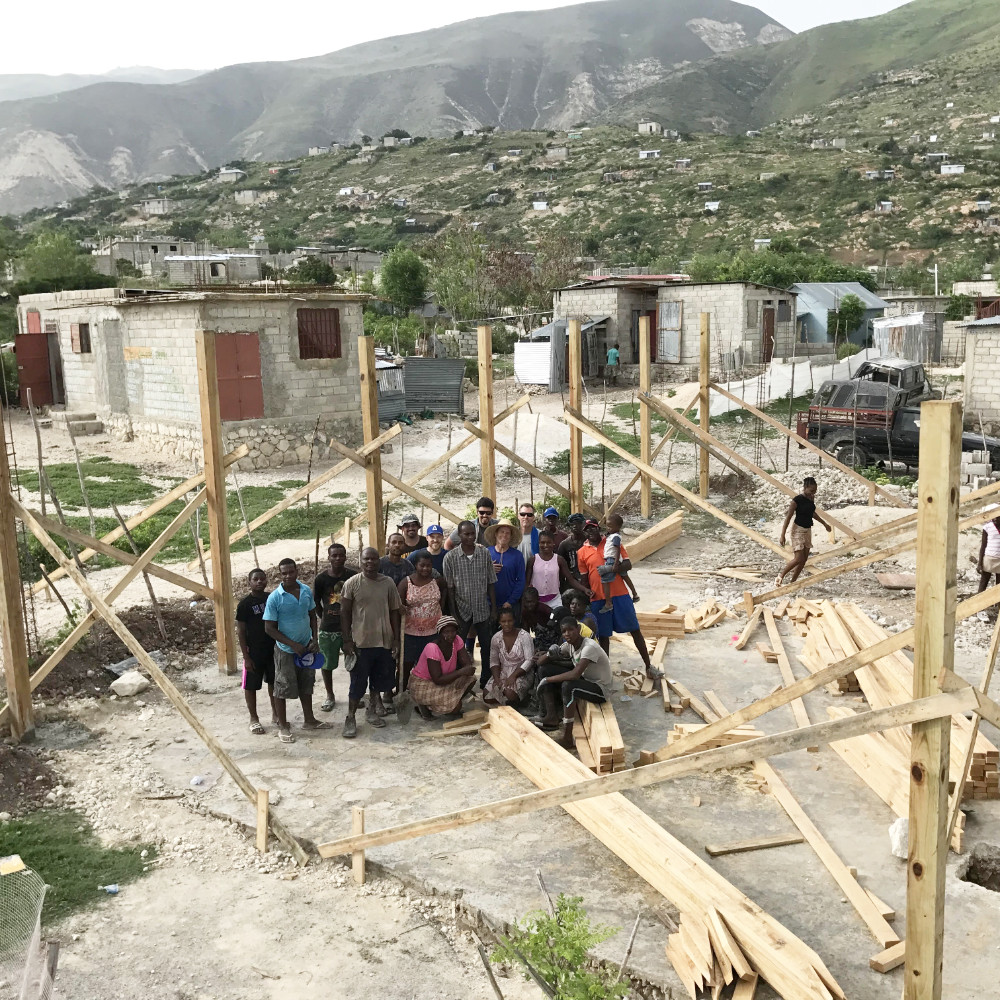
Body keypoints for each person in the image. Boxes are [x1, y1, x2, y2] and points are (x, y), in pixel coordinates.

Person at [577, 520, 657, 678]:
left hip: (620, 594)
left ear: (598, 528)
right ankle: (606, 673)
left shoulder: (612, 541)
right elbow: (584, 578)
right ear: (584, 533)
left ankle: (649, 666)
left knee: (635, 629)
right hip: (598, 598)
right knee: (604, 637)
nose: (591, 531)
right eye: (587, 529)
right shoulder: (581, 552)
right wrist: (586, 595)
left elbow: (628, 564)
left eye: (593, 528)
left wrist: (612, 569)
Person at [340, 547, 403, 739]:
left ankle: (372, 710)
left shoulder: (388, 583)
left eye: (374, 559)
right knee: (357, 683)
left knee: (378, 680)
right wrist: (347, 640)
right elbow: (344, 613)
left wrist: (396, 639)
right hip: (361, 642)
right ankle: (350, 717)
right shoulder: (352, 584)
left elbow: (394, 611)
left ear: (379, 561)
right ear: (361, 561)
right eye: (366, 559)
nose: (370, 563)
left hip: (383, 641)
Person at [263, 558, 328, 743]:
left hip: (306, 648)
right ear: (280, 574)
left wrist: (314, 639)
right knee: (282, 687)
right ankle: (283, 726)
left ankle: (310, 720)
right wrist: (292, 645)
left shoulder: (306, 591)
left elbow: (312, 616)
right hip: (286, 651)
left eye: (291, 572)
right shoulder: (275, 597)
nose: (288, 576)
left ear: (296, 571)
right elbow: (269, 628)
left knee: (307, 684)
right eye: (284, 573)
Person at [534, 617, 613, 749]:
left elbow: (574, 674)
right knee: (545, 670)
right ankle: (551, 716)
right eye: (564, 631)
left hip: (600, 689)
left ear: (578, 629)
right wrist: (549, 653)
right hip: (586, 680)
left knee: (568, 686)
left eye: (571, 629)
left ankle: (567, 738)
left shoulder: (589, 647)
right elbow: (539, 663)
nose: (567, 634)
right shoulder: (569, 645)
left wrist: (547, 680)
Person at [442, 520, 497, 686]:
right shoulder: (450, 558)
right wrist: (455, 614)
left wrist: (493, 608)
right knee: (458, 648)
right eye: (466, 534)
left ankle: (486, 680)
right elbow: (450, 589)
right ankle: (461, 682)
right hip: (462, 610)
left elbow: (490, 582)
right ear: (459, 536)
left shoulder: (484, 554)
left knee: (487, 647)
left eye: (472, 533)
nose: (470, 537)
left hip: (482, 609)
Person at [312, 543, 360, 713]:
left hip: (352, 628)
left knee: (354, 662)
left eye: (341, 555)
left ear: (346, 556)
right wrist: (323, 616)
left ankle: (354, 694)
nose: (338, 558)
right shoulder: (321, 579)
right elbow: (315, 602)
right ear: (329, 557)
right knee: (327, 664)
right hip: (328, 628)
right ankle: (330, 695)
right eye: (334, 555)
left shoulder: (353, 576)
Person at [408, 616, 478, 719]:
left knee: (471, 679)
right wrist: (461, 673)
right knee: (456, 707)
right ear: (440, 633)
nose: (450, 635)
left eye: (453, 631)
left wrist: (463, 675)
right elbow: (437, 679)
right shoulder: (432, 648)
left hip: (444, 680)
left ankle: (437, 704)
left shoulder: (457, 640)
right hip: (422, 684)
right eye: (446, 632)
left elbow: (468, 666)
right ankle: (425, 705)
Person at [398, 550, 448, 691]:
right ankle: (401, 691)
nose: (425, 568)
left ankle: (426, 693)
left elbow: (446, 589)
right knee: (406, 664)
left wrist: (441, 607)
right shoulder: (406, 583)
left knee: (430, 665)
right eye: (422, 565)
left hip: (433, 632)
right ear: (416, 565)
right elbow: (398, 605)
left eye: (428, 565)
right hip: (410, 633)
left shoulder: (437, 582)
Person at [236, 568, 277, 735]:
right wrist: (246, 657)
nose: (259, 581)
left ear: (266, 581)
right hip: (254, 651)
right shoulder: (245, 604)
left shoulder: (271, 599)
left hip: (273, 649)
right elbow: (241, 631)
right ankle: (254, 718)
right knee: (251, 685)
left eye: (262, 579)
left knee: (274, 683)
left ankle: (276, 714)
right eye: (255, 579)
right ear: (249, 582)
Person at [775, 477, 832, 587]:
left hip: (807, 530)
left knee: (804, 560)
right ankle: (780, 576)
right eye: (811, 490)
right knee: (798, 558)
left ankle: (793, 582)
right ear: (805, 488)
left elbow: (812, 513)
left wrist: (824, 524)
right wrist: (782, 535)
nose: (813, 493)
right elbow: (788, 518)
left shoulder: (811, 498)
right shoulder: (796, 501)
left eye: (815, 491)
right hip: (798, 530)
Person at [526, 529, 590, 610]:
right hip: (536, 601)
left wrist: (584, 589)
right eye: (542, 542)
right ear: (538, 543)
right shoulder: (533, 560)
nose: (545, 545)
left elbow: (571, 580)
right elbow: (526, 583)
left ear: (553, 543)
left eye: (549, 542)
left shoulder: (559, 560)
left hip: (555, 600)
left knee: (558, 619)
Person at [485, 608, 535, 707]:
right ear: (499, 622)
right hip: (503, 671)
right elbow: (494, 661)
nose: (507, 624)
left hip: (522, 672)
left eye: (510, 621)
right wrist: (496, 678)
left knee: (509, 694)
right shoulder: (496, 638)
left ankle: (520, 700)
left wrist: (514, 676)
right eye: (503, 621)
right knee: (487, 696)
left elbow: (529, 660)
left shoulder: (524, 636)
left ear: (514, 621)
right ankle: (506, 701)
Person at [485, 518, 526, 625]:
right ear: (496, 534)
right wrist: (489, 570)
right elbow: (477, 577)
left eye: (508, 533)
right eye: (502, 532)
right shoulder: (486, 553)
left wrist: (511, 601)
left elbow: (521, 580)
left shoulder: (517, 555)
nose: (504, 535)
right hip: (489, 604)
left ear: (511, 536)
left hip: (510, 604)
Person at [597, 513, 640, 612]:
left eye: (610, 526)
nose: (608, 528)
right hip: (615, 559)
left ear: (618, 527)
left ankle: (608, 603)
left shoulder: (615, 537)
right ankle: (635, 594)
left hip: (612, 559)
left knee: (605, 579)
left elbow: (617, 549)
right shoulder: (612, 535)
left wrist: (615, 563)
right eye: (607, 526)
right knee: (624, 576)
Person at [520, 586, 564, 651]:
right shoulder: (525, 611)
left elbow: (558, 621)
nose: (529, 605)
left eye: (532, 602)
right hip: (538, 636)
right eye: (527, 602)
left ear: (537, 600)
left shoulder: (544, 610)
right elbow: (526, 628)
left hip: (551, 635)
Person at [977, 509, 1000, 622]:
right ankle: (979, 609)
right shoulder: (988, 527)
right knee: (984, 582)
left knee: (999, 585)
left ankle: (998, 607)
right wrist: (979, 563)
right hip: (989, 558)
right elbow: (983, 546)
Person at [557, 513, 588, 585]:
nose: (575, 526)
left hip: (589, 578)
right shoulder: (564, 544)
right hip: (572, 581)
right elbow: (560, 565)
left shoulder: (589, 541)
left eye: (578, 523)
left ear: (583, 525)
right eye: (572, 524)